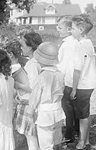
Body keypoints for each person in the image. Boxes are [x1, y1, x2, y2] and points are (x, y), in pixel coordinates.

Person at [28, 42, 66, 150]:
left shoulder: (41, 78)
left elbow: (34, 98)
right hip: (58, 112)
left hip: (45, 115)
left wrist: (30, 112)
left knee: (46, 144)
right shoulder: (60, 74)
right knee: (57, 141)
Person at [69, 14, 96, 149]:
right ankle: (85, 140)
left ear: (80, 30)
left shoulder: (80, 46)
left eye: (72, 28)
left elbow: (77, 70)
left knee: (82, 115)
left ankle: (81, 142)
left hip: (83, 85)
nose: (71, 30)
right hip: (90, 83)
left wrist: (73, 89)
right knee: (87, 113)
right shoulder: (89, 43)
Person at [15, 32, 43, 150]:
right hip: (32, 103)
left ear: (30, 48)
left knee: (30, 136)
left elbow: (33, 88)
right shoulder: (37, 61)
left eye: (23, 45)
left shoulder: (32, 65)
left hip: (29, 104)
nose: (21, 48)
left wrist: (15, 83)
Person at [56, 15, 80, 144]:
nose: (57, 29)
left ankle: (69, 133)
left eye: (60, 27)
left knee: (67, 108)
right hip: (75, 80)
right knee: (74, 108)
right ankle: (76, 130)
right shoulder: (75, 42)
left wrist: (58, 78)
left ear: (69, 29)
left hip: (67, 80)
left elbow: (64, 65)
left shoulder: (67, 45)